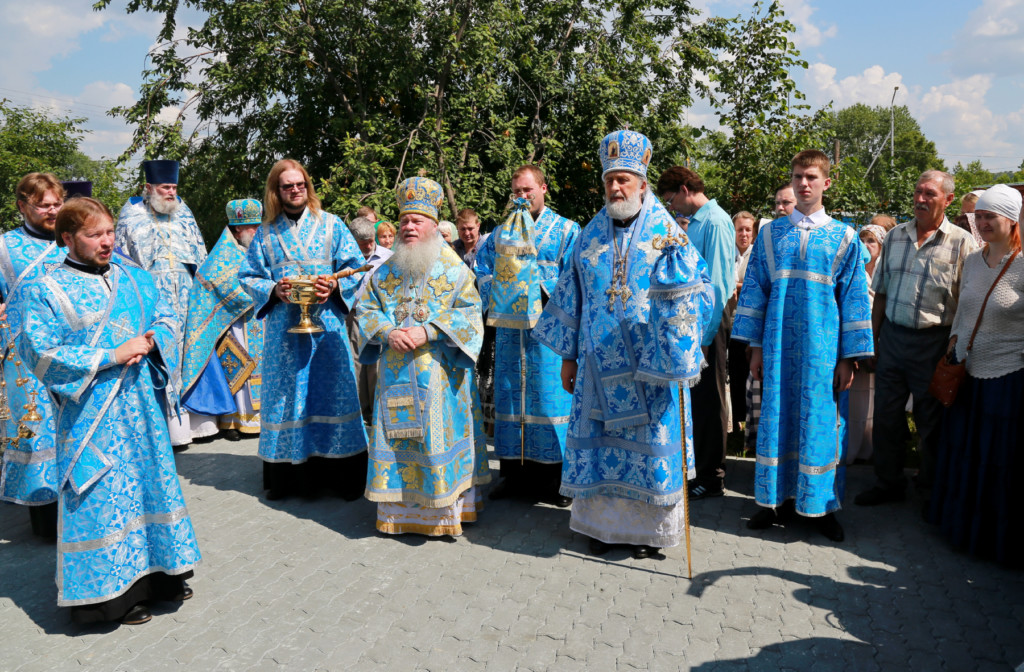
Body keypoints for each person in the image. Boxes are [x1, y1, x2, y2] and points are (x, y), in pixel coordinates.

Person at [17, 197, 200, 625]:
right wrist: (111, 355)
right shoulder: (46, 289)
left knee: (149, 485)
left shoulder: (134, 278)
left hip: (140, 409)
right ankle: (109, 597)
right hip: (89, 415)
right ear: (67, 238)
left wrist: (155, 338)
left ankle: (162, 577)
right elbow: (39, 352)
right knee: (101, 496)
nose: (106, 242)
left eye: (110, 232)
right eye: (94, 235)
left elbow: (168, 315)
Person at [534, 130, 714, 559]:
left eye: (625, 180)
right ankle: (602, 529)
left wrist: (680, 336)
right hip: (596, 367)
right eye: (611, 179)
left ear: (643, 184)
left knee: (648, 453)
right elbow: (570, 294)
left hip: (650, 370)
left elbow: (703, 292)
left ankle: (647, 536)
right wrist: (567, 357)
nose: (616, 187)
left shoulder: (669, 235)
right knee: (600, 451)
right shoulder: (589, 234)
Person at [732, 149, 873, 543]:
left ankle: (821, 506)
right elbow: (756, 292)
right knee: (776, 418)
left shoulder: (844, 236)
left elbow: (855, 300)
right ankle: (772, 501)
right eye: (797, 176)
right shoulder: (770, 234)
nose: (803, 183)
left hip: (823, 353)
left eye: (811, 176)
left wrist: (849, 358)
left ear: (826, 182)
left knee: (821, 424)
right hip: (777, 349)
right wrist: (756, 348)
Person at [357, 177, 490, 536]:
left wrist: (428, 331)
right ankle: (399, 514)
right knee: (397, 439)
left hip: (441, 375)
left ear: (433, 225)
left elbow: (470, 314)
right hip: (395, 370)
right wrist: (388, 332)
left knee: (435, 436)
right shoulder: (383, 272)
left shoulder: (455, 270)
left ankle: (443, 514)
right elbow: (366, 309)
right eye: (404, 221)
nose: (409, 227)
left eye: (417, 221)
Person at [239, 159, 369, 501]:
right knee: (288, 397)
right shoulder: (266, 233)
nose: (295, 190)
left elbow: (356, 268)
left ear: (307, 187)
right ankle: (291, 479)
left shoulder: (331, 225)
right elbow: (247, 275)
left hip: (327, 327)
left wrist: (336, 288)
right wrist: (272, 290)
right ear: (276, 192)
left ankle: (341, 478)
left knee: (332, 392)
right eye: (287, 186)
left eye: (300, 184)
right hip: (284, 331)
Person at [855, 171, 978, 508]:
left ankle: (930, 489)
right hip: (893, 338)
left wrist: (953, 352)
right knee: (886, 417)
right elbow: (879, 294)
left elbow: (967, 304)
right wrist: (874, 340)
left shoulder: (963, 243)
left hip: (934, 343)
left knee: (931, 422)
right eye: (918, 192)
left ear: (948, 200)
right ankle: (888, 483)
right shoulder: (894, 237)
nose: (920, 199)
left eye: (930, 194)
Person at [928, 184, 1023, 567]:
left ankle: (995, 542)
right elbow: (963, 312)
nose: (982, 223)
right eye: (978, 216)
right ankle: (961, 530)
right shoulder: (972, 260)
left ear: (1012, 221)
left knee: (998, 465)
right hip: (966, 375)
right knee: (965, 456)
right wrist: (954, 346)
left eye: (990, 217)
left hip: (1007, 380)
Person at [475, 164, 580, 506]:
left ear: (543, 189)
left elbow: (574, 279)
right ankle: (513, 477)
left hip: (548, 334)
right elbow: (482, 272)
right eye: (516, 191)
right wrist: (504, 289)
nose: (522, 196)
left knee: (548, 402)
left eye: (527, 190)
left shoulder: (566, 230)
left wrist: (536, 289)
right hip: (509, 336)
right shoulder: (499, 234)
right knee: (511, 400)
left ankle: (556, 481)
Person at [115, 159, 210, 448]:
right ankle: (171, 431)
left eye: (174, 187)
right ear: (148, 187)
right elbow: (122, 258)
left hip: (187, 293)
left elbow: (199, 252)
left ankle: (199, 424)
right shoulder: (130, 214)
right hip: (152, 296)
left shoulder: (184, 212)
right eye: (165, 187)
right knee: (160, 353)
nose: (171, 193)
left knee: (190, 350)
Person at [657, 167, 736, 499]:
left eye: (672, 199)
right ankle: (699, 469)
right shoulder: (700, 221)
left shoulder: (714, 222)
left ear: (686, 189)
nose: (672, 208)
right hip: (696, 323)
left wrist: (704, 339)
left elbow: (716, 286)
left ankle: (712, 475)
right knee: (696, 398)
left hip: (709, 324)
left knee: (710, 398)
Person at [0, 173, 66, 538]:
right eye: (44, 205)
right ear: (22, 206)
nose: (53, 210)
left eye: (57, 203)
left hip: (71, 353)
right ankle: (44, 518)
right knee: (38, 432)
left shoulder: (73, 239)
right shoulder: (5, 247)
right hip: (24, 359)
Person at [180, 199, 265, 441]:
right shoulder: (223, 254)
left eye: (260, 226)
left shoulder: (260, 252)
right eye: (253, 228)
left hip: (261, 319)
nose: (258, 233)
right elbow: (215, 285)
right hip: (235, 323)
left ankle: (261, 420)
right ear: (238, 229)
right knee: (239, 368)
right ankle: (234, 422)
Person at [346, 214, 392, 426]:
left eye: (370, 242)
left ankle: (377, 412)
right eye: (362, 244)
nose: (368, 247)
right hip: (352, 315)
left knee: (375, 364)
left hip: (377, 317)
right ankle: (357, 411)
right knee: (353, 363)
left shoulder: (388, 258)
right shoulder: (346, 257)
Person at [846, 222, 887, 464]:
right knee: (856, 400)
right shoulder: (854, 270)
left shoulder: (885, 271)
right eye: (862, 240)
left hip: (881, 339)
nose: (866, 245)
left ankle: (872, 449)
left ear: (881, 246)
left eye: (871, 241)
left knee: (876, 399)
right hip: (858, 339)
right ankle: (853, 449)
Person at [724, 211, 757, 434]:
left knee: (748, 375)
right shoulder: (726, 253)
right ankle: (735, 426)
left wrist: (734, 286)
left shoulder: (757, 255)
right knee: (733, 376)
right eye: (740, 229)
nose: (743, 234)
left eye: (747, 229)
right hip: (727, 322)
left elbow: (756, 286)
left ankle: (749, 426)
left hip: (749, 325)